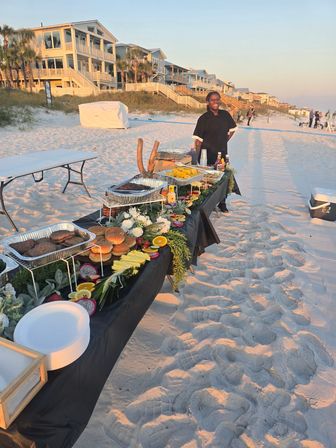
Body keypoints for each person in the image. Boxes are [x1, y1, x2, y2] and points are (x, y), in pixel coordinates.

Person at [192, 91, 237, 212]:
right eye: (212, 100)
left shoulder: (225, 115)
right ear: (208, 102)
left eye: (217, 99)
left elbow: (232, 129)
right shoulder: (203, 118)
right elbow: (198, 140)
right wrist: (197, 157)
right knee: (208, 178)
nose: (215, 102)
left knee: (223, 178)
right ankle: (207, 204)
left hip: (222, 152)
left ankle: (222, 202)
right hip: (206, 154)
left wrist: (224, 140)